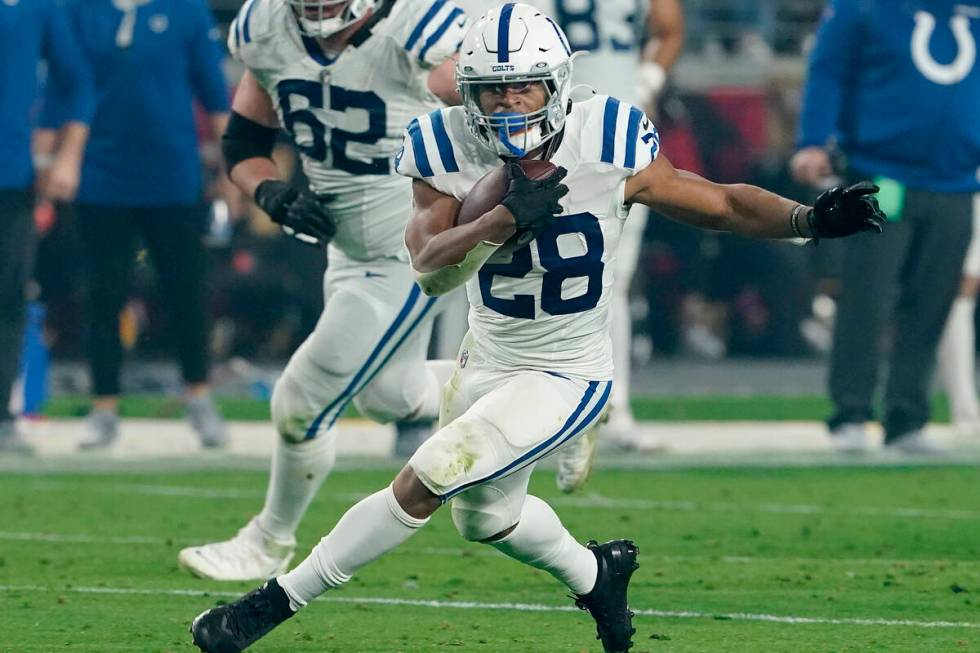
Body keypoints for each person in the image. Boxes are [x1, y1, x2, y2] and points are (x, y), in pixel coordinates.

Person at [188, 5, 885, 653]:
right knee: (486, 519)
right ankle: (596, 574)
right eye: (492, 90)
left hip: (570, 369)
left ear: (555, 83)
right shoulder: (442, 142)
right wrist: (497, 219)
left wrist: (810, 220)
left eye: (523, 87)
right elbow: (428, 267)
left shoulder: (604, 135)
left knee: (431, 472)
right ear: (467, 92)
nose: (508, 104)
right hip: (486, 359)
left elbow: (721, 203)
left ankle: (269, 606)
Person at [176, 0, 469, 582]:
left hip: (409, 248)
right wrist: (272, 195)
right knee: (389, 396)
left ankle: (267, 540)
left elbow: (500, 119)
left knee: (302, 397)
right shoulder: (268, 28)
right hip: (348, 251)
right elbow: (243, 145)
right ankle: (531, 384)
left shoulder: (417, 29)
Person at [39, 0, 232, 450]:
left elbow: (214, 93)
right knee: (102, 295)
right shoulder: (80, 12)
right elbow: (62, 91)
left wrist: (231, 170)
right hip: (100, 178)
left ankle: (199, 396)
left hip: (174, 178)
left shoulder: (187, 11)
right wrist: (50, 159)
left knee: (187, 290)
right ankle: (103, 406)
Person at [791, 0, 980, 454]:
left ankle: (907, 416)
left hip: (956, 180)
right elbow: (829, 68)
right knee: (867, 294)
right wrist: (813, 140)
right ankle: (851, 412)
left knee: (933, 300)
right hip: (883, 175)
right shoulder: (864, 5)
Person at [542, 0, 685, 491]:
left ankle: (608, 407)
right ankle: (587, 406)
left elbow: (669, 28)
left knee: (611, 277)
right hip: (552, 130)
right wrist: (646, 82)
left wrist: (646, 81)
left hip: (608, 130)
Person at [0, 0, 94, 454]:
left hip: (11, 175)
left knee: (8, 297)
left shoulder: (38, 5)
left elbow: (77, 83)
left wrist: (64, 154)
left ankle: (1, 415)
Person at [937, 194, 980, 436]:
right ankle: (965, 407)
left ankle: (966, 408)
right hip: (963, 190)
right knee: (960, 296)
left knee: (960, 298)